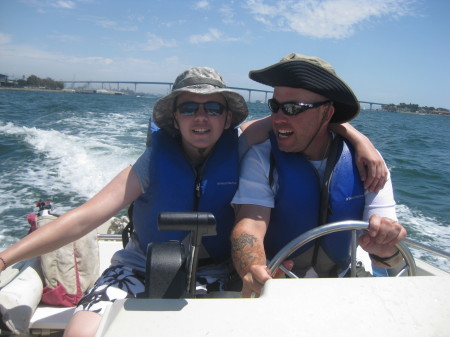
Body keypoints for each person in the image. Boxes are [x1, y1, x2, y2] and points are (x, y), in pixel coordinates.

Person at [0, 66, 386, 337]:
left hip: (215, 271)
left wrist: (360, 140)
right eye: (189, 108)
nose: (201, 117)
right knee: (83, 330)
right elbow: (85, 218)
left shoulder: (242, 145)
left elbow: (311, 117)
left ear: (226, 117)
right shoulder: (151, 163)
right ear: (175, 118)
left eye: (213, 108)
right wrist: (6, 258)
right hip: (138, 265)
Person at [230, 53, 407, 298]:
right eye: (275, 107)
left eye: (293, 108)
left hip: (344, 280)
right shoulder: (262, 157)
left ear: (327, 114)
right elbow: (250, 223)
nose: (278, 118)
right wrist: (252, 267)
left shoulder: (368, 162)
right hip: (277, 282)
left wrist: (385, 249)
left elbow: (389, 247)